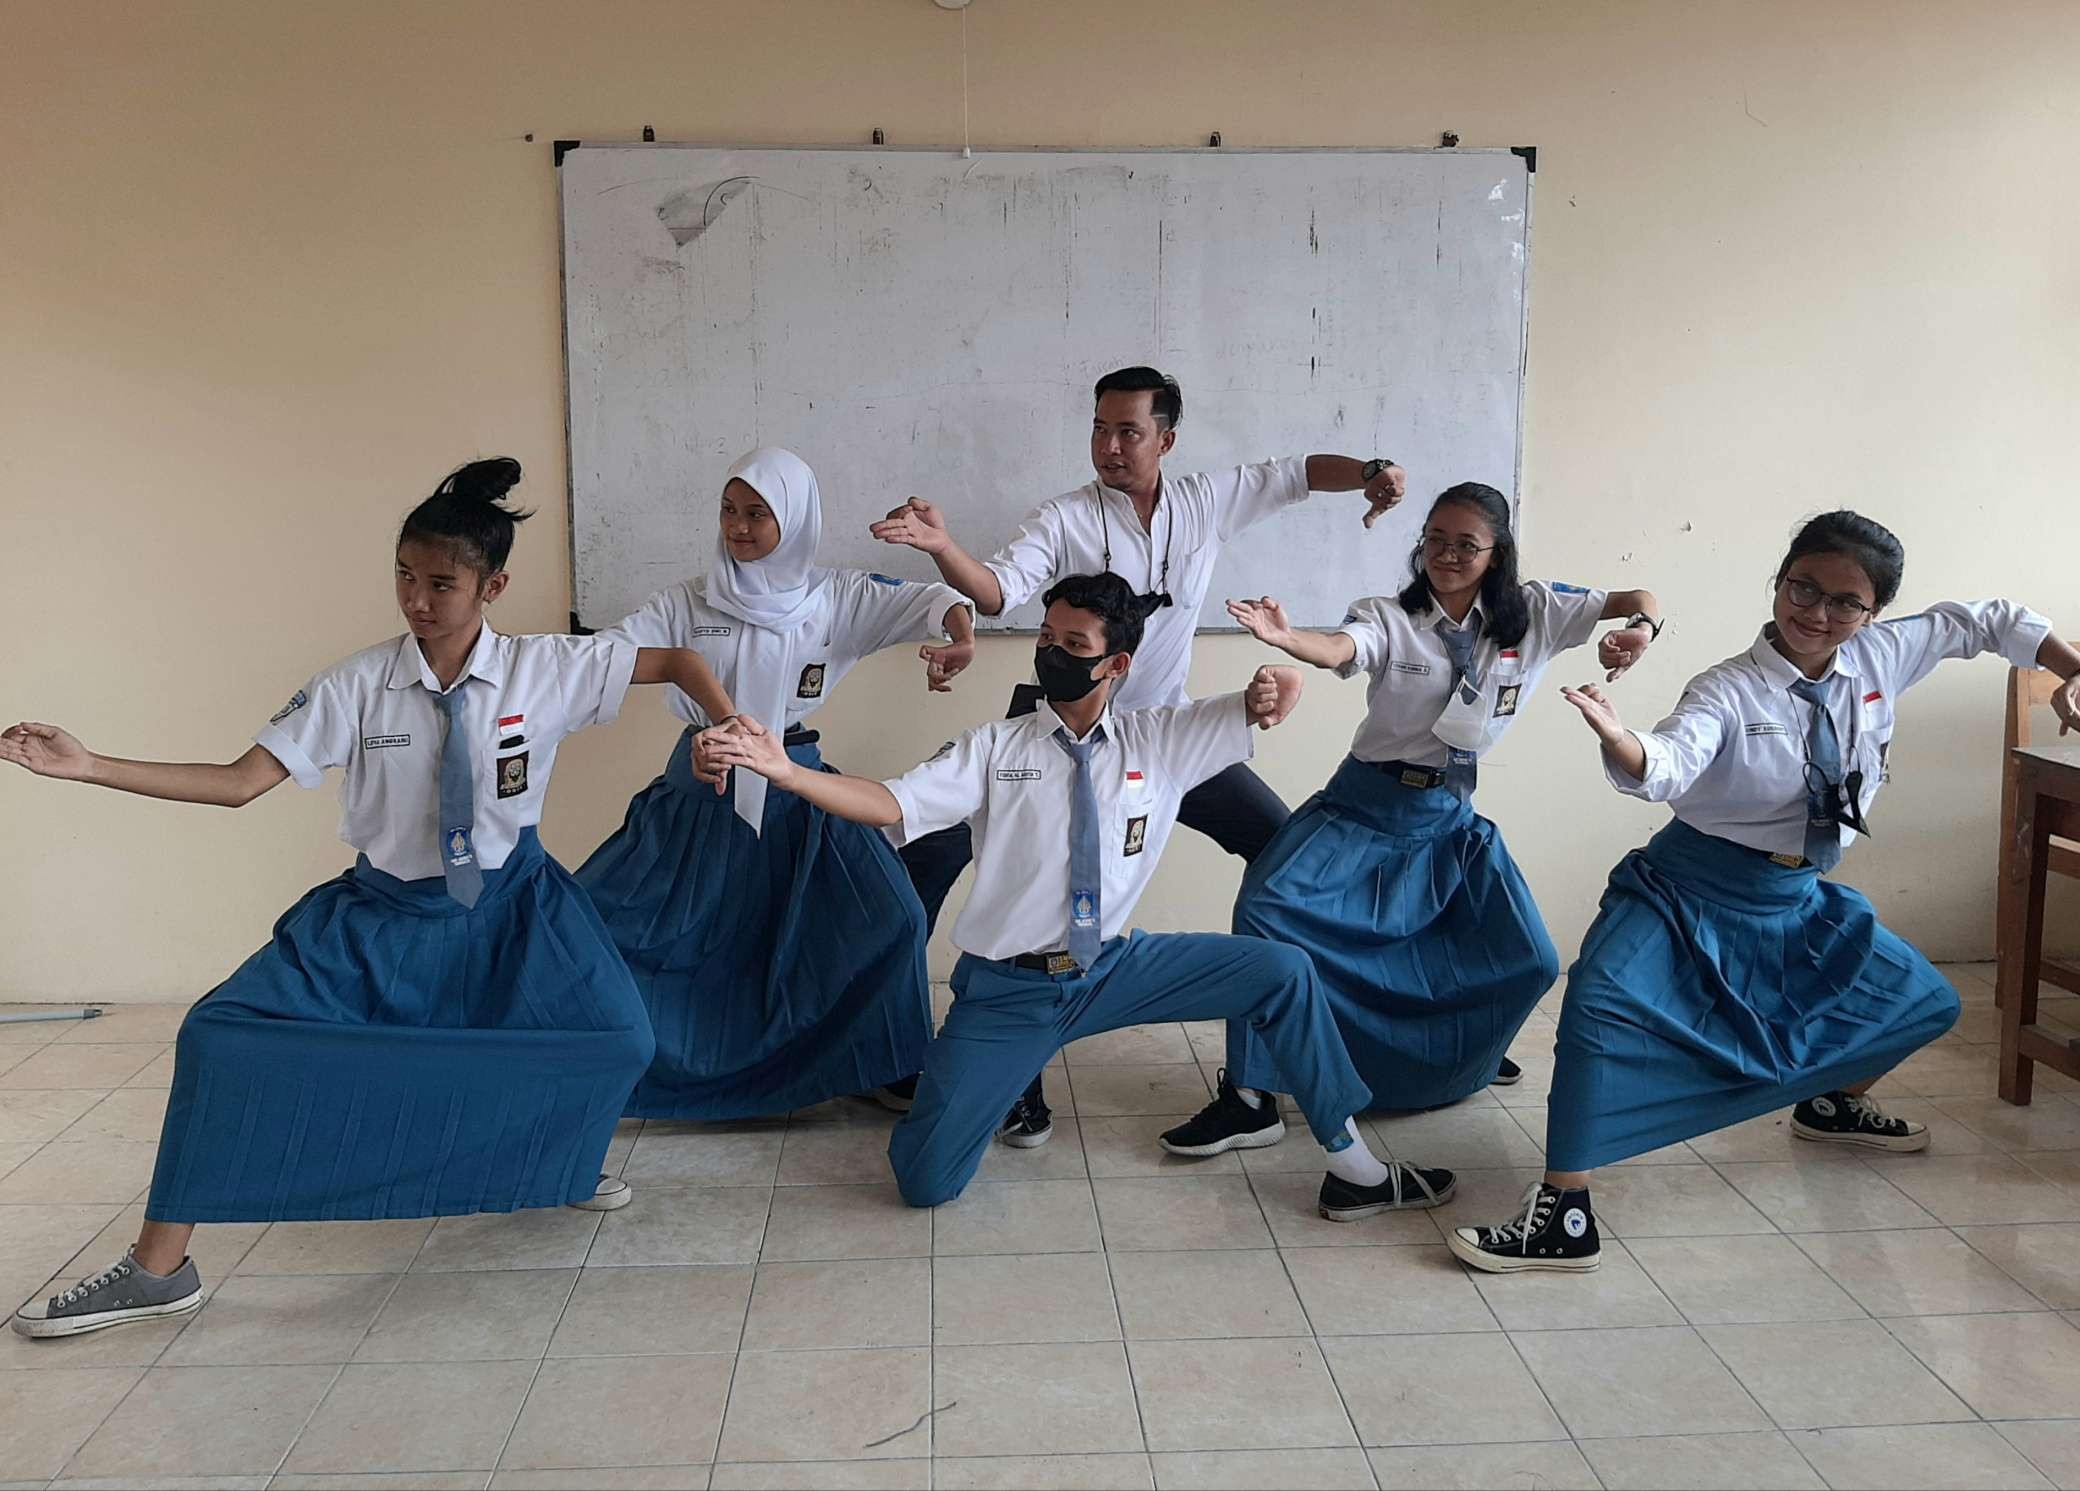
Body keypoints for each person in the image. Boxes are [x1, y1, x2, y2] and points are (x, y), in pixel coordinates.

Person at [6, 458, 736, 1339]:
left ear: (493, 585)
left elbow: (682, 660)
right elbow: (240, 782)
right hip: (385, 914)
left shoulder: (550, 668)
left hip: (517, 907)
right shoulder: (357, 683)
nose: (416, 599)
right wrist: (91, 765)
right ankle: (160, 1268)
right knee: (215, 1034)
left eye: (440, 582)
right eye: (403, 574)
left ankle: (557, 1162)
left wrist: (726, 725)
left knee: (622, 1038)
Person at [706, 572, 1461, 1216]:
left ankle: (1354, 1167)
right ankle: (988, 1081)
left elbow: (1266, 699)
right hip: (1010, 991)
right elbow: (891, 802)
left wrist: (1277, 685)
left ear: (1118, 664)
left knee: (1283, 969)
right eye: (1047, 641)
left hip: (1110, 971)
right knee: (924, 1180)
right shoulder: (994, 747)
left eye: (1075, 647)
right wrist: (789, 772)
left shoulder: (1160, 739)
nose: (1052, 656)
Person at [1447, 511, 2080, 1274]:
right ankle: (1563, 1209)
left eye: (1845, 602)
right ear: (1778, 581)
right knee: (1598, 1006)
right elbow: (1672, 760)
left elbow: (1988, 620)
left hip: (1796, 897)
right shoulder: (1728, 687)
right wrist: (1623, 739)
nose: (1817, 613)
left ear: (1873, 612)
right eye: (1802, 587)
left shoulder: (1882, 656)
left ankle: (1831, 1102)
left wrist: (2071, 667)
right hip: (1690, 884)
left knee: (1926, 1001)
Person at [871, 364, 1409, 1143]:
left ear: (1167, 438)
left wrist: (1365, 473)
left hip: (1164, 737)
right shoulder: (1062, 517)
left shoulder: (1205, 501)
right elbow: (995, 593)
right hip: (1055, 727)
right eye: (1099, 427)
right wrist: (944, 546)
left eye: (1128, 430)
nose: (1110, 445)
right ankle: (917, 1056)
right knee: (927, 854)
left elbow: (1297, 473)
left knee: (1286, 856)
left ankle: (1258, 1087)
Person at [1161, 483, 1663, 1156]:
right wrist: (1288, 638)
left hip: (1448, 815)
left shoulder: (1538, 610)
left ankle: (1465, 1060)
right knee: (1266, 908)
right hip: (1362, 805)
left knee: (1531, 958)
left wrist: (1641, 631)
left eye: (1466, 544)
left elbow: (1637, 599)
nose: (1447, 555)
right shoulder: (1390, 616)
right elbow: (1342, 648)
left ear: (1498, 552)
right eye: (1435, 539)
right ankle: (1251, 1098)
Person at [576, 447, 973, 1117]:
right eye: (729, 511)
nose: (739, 527)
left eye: (758, 513)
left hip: (797, 783)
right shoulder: (688, 601)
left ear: (794, 519)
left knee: (892, 917)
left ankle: (880, 1061)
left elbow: (939, 602)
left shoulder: (834, 598)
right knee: (599, 926)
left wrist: (959, 638)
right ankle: (605, 1065)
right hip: (703, 783)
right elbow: (607, 655)